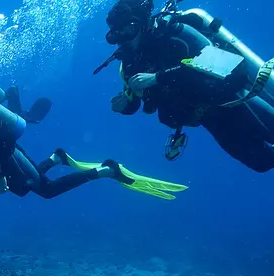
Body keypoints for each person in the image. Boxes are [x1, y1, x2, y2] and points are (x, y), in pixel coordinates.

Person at [0, 76, 186, 200]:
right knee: (22, 190)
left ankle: (106, 170)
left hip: (7, 153)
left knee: (46, 190)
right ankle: (57, 157)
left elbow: (0, 140)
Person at [98, 0, 274, 171]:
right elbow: (133, 100)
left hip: (232, 98)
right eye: (116, 35)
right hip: (209, 119)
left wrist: (158, 77)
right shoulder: (131, 64)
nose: (124, 39)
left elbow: (222, 63)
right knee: (263, 162)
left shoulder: (175, 32)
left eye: (129, 30)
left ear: (143, 23)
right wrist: (124, 105)